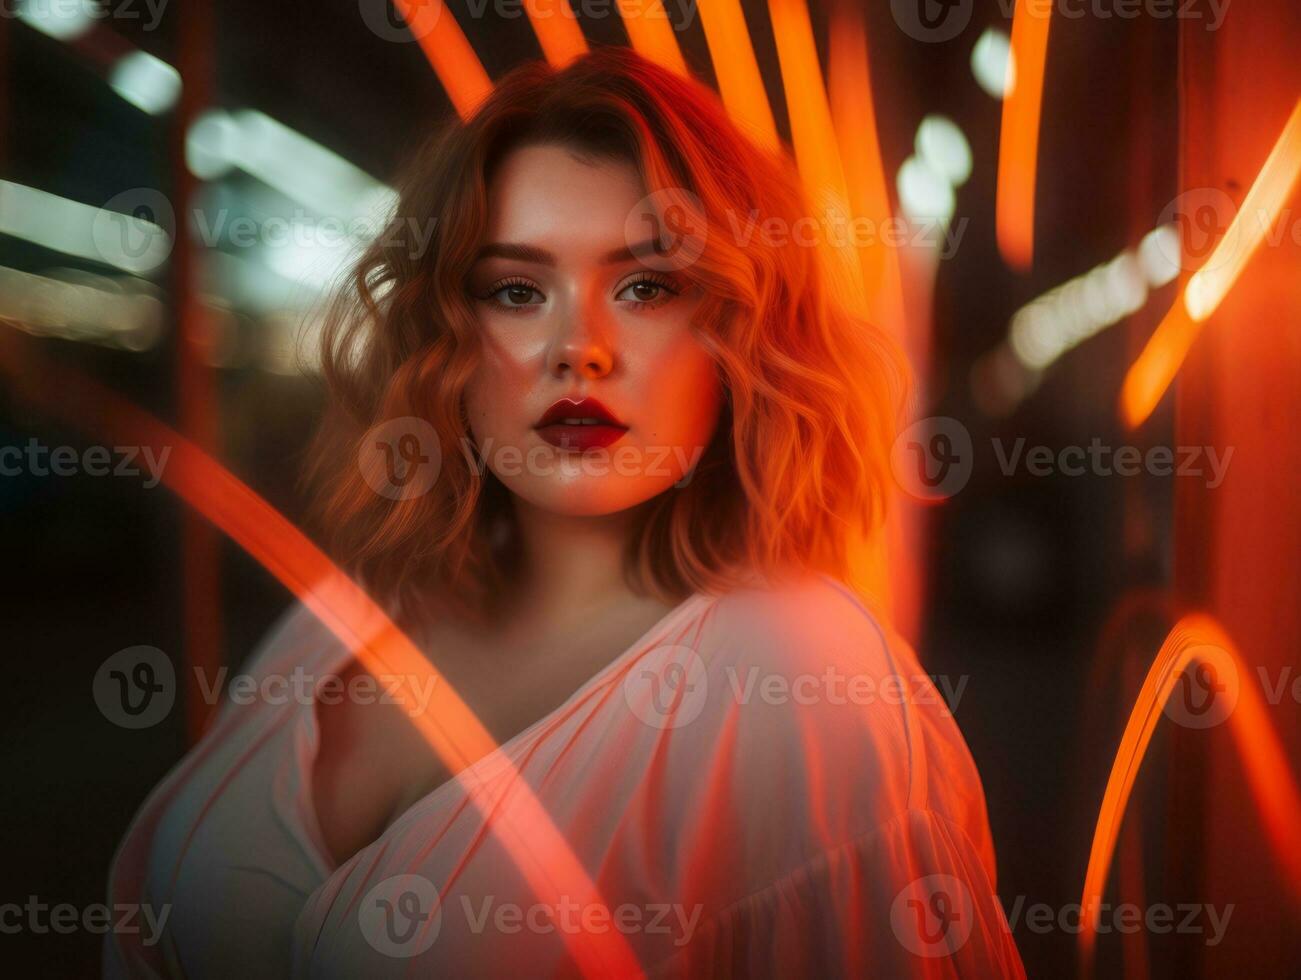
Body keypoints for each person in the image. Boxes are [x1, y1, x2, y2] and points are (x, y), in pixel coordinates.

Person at [106, 46, 1024, 978]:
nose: (578, 348)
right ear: (444, 338)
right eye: (516, 290)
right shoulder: (346, 614)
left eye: (645, 286)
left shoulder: (803, 679)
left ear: (741, 331)